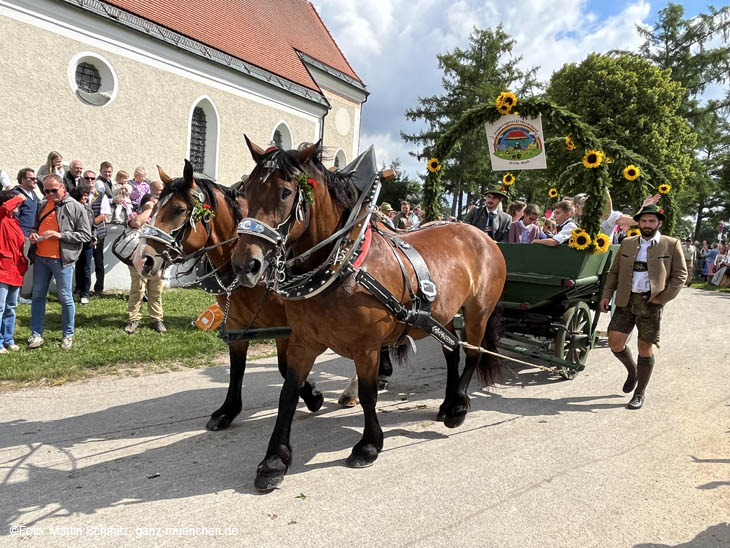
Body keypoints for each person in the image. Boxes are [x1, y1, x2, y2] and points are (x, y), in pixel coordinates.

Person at [599, 204, 686, 410]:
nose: (647, 225)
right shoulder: (627, 243)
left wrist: (662, 298)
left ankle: (640, 392)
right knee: (615, 342)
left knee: (644, 348)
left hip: (651, 303)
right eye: (644, 221)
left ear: (659, 222)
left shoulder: (671, 244)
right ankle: (633, 372)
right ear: (639, 223)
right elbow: (614, 272)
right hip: (625, 300)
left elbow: (680, 275)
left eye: (652, 221)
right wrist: (606, 294)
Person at [28, 174, 91, 350]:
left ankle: (67, 335)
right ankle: (36, 334)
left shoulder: (76, 207)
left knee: (65, 298)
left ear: (62, 187)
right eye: (46, 191)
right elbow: (34, 227)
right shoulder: (42, 205)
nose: (49, 194)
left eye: (53, 190)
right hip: (41, 258)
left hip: (62, 260)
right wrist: (33, 234)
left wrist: (60, 235)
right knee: (38, 296)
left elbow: (86, 235)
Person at [125, 193, 165, 334]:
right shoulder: (134, 215)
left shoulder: (160, 220)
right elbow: (136, 223)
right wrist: (148, 209)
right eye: (153, 204)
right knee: (138, 289)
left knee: (156, 290)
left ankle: (157, 319)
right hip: (137, 259)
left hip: (156, 259)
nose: (156, 208)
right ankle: (134, 319)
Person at [0, 191, 29, 353]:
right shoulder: (2, 218)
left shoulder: (14, 221)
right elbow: (4, 207)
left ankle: (8, 339)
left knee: (11, 306)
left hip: (15, 269)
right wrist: (19, 197)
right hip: (2, 269)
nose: (18, 206)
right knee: (0, 306)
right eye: (15, 203)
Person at [70, 179, 97, 305]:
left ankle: (85, 293)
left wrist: (94, 237)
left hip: (87, 243)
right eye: (83, 195)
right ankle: (78, 288)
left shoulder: (89, 210)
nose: (85, 197)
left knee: (86, 268)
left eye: (87, 195)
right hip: (75, 242)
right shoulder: (71, 209)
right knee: (77, 268)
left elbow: (94, 226)